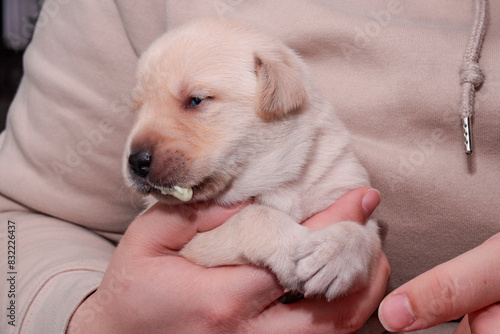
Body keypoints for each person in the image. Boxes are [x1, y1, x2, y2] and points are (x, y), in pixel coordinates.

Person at [0, 1, 498, 333]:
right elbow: (15, 223)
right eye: (141, 109)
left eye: (195, 102)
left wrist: (351, 245)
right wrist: (88, 319)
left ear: (276, 94)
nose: (141, 147)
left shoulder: (317, 145)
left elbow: (363, 236)